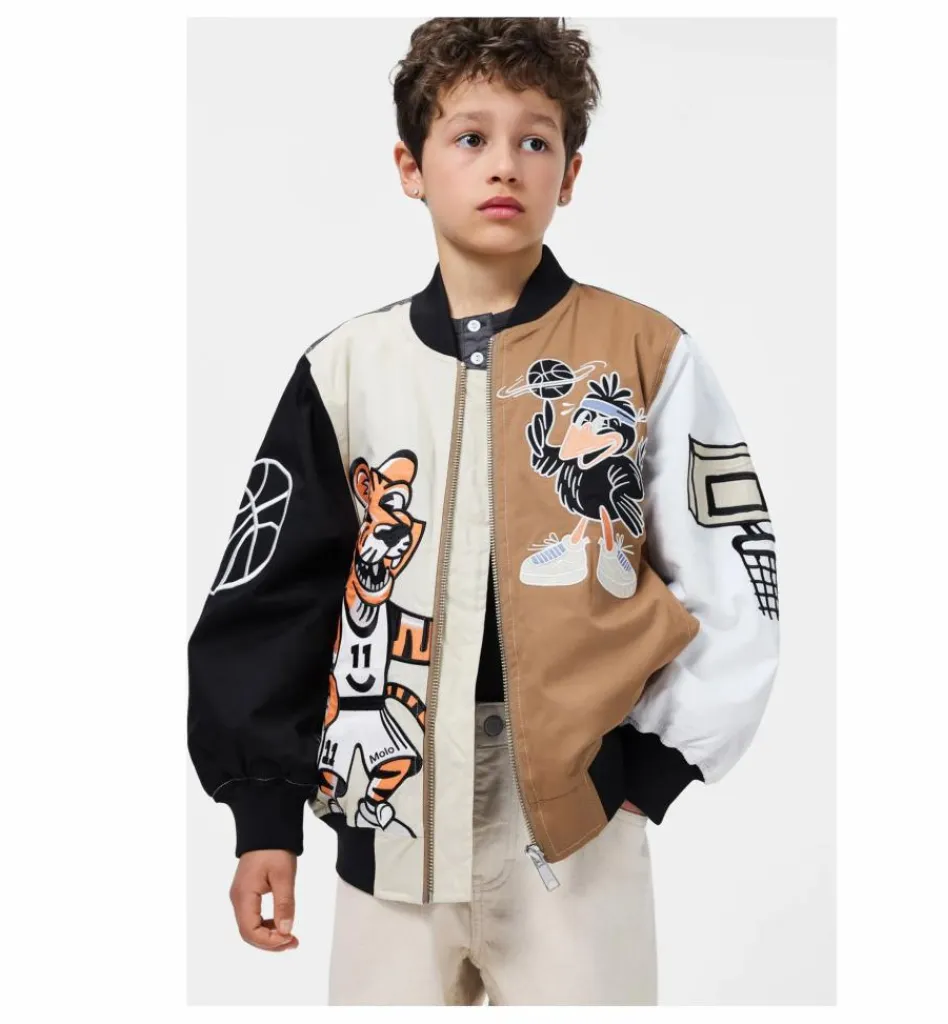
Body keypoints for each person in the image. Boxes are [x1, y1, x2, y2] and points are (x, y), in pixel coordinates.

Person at [187, 16, 781, 1006]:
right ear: (410, 167)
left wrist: (650, 769)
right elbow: (273, 600)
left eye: (534, 140)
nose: (504, 163)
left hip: (578, 823)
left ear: (570, 174)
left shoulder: (647, 354)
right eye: (470, 136)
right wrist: (265, 818)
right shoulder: (347, 370)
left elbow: (733, 573)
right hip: (389, 815)